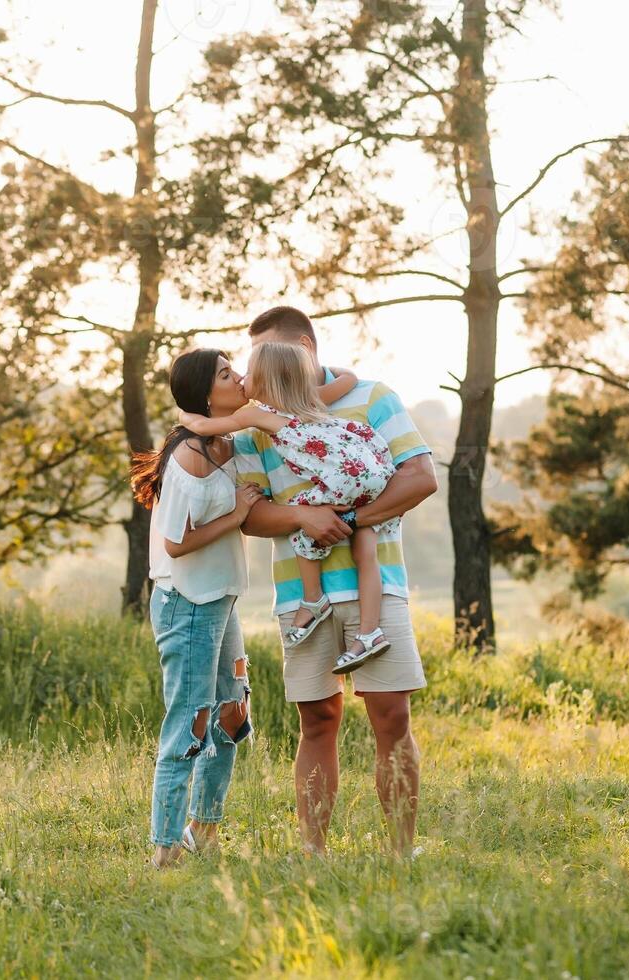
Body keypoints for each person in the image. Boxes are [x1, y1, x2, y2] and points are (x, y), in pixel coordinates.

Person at [232, 306, 437, 856]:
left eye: (272, 359)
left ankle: (402, 850)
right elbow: (249, 515)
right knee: (317, 718)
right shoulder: (259, 422)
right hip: (302, 596)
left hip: (378, 585)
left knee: (391, 715)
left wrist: (347, 521)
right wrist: (303, 517)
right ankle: (313, 851)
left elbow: (419, 477)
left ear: (305, 347)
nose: (263, 377)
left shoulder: (373, 398)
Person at [177, 340, 401, 674]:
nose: (241, 378)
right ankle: (370, 632)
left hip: (344, 479)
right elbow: (348, 380)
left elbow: (206, 427)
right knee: (365, 550)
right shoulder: (308, 400)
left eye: (248, 372)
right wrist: (343, 371)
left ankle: (313, 598)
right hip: (373, 469)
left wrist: (184, 414)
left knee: (302, 521)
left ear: (267, 382)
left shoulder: (256, 414)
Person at [130, 348, 259, 869]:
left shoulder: (230, 442)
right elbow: (177, 543)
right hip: (186, 603)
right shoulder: (187, 458)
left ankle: (202, 831)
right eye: (227, 374)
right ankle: (164, 849)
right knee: (191, 720)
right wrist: (239, 514)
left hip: (221, 598)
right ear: (207, 394)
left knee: (233, 710)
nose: (240, 377)